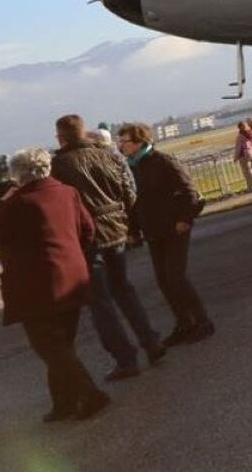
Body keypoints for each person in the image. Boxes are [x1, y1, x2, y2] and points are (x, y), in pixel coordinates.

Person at [0, 147, 112, 421]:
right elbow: (88, 230)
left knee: (50, 348)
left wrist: (2, 201)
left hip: (35, 286)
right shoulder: (67, 192)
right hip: (72, 277)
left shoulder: (18, 203)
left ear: (19, 175)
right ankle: (63, 402)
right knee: (62, 345)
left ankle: (89, 395)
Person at [51, 114, 166, 382]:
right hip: (117, 229)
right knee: (124, 289)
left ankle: (125, 358)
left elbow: (63, 204)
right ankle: (150, 341)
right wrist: (128, 223)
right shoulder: (109, 154)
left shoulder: (61, 164)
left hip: (88, 237)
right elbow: (129, 189)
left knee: (99, 301)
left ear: (62, 136)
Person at [117, 123, 213, 345]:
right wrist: (133, 231)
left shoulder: (163, 161)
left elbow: (189, 190)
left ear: (140, 142)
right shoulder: (133, 167)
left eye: (125, 142)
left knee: (176, 277)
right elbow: (133, 203)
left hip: (174, 229)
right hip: (153, 231)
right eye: (120, 142)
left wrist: (185, 219)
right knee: (163, 281)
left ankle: (203, 321)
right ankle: (184, 324)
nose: (121, 146)